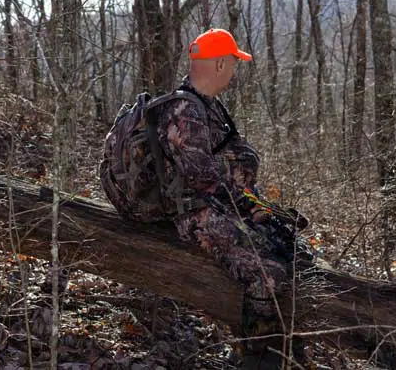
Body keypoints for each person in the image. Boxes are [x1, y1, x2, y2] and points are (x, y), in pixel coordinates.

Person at [103, 28, 306, 369]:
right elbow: (202, 178)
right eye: (232, 64)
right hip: (189, 213)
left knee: (287, 249)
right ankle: (257, 358)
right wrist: (243, 203)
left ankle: (285, 350)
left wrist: (253, 204)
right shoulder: (185, 111)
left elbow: (224, 169)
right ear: (219, 64)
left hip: (206, 203)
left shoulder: (208, 109)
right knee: (267, 272)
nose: (233, 72)